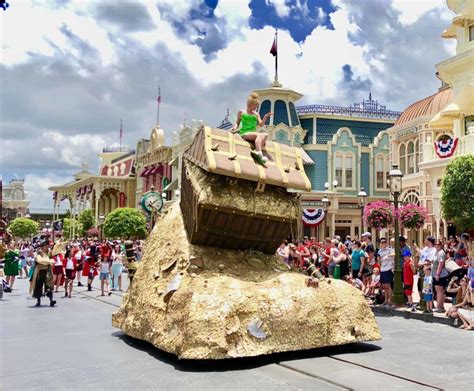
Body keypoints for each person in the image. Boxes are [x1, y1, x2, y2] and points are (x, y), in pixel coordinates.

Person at [231, 92, 273, 163]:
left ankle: (258, 152)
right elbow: (237, 123)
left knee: (266, 135)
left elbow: (261, 124)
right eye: (255, 105)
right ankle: (259, 152)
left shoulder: (256, 114)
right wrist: (234, 128)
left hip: (253, 134)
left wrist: (265, 117)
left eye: (257, 105)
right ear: (250, 104)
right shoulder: (242, 112)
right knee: (259, 135)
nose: (256, 107)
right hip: (245, 133)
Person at [31, 241, 56, 307]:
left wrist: (49, 261)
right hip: (39, 271)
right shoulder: (38, 253)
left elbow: (53, 260)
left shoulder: (49, 253)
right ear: (42, 247)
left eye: (47, 246)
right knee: (38, 286)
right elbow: (40, 260)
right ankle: (38, 300)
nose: (47, 247)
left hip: (47, 271)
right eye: (46, 246)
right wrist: (49, 261)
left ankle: (51, 300)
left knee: (49, 285)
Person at [432, 240, 448, 313]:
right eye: (435, 244)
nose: (436, 245)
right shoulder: (437, 252)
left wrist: (437, 274)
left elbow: (441, 264)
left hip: (440, 275)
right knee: (439, 291)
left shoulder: (441, 253)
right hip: (437, 274)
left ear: (441, 245)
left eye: (438, 244)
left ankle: (439, 307)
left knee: (439, 291)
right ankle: (441, 306)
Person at [378, 238, 395, 307]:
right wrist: (379, 261)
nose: (383, 243)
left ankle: (390, 301)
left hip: (388, 268)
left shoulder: (390, 249)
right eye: (382, 242)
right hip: (382, 269)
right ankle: (385, 300)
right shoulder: (379, 251)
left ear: (386, 243)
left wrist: (388, 255)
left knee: (388, 286)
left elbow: (394, 253)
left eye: (384, 242)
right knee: (384, 286)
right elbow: (379, 261)